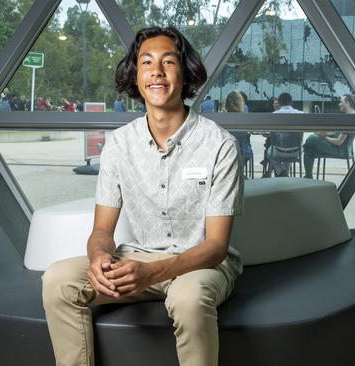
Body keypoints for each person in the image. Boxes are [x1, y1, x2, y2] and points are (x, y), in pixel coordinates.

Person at [42, 27, 244, 366]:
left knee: (188, 299)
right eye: (146, 62)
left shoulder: (219, 145)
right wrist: (99, 258)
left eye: (168, 61)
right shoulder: (119, 144)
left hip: (201, 264)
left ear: (185, 72)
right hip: (141, 257)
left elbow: (216, 247)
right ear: (136, 77)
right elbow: (103, 231)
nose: (157, 71)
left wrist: (155, 273)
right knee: (58, 280)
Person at [303, 94, 355, 178]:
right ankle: (308, 175)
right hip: (343, 149)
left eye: (341, 102)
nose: (339, 104)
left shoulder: (349, 120)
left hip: (340, 150)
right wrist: (324, 133)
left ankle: (308, 175)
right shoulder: (352, 116)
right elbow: (337, 134)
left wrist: (324, 136)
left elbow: (338, 142)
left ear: (348, 102)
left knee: (311, 139)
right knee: (309, 149)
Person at [263, 92, 304, 177]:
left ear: (280, 103)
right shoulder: (301, 114)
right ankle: (285, 173)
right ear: (292, 102)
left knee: (269, 152)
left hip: (279, 151)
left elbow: (265, 131)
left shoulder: (274, 115)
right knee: (290, 148)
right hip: (296, 151)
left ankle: (282, 171)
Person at [225, 90, 253, 176]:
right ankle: (240, 173)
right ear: (241, 103)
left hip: (226, 156)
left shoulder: (222, 118)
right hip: (242, 154)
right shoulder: (244, 119)